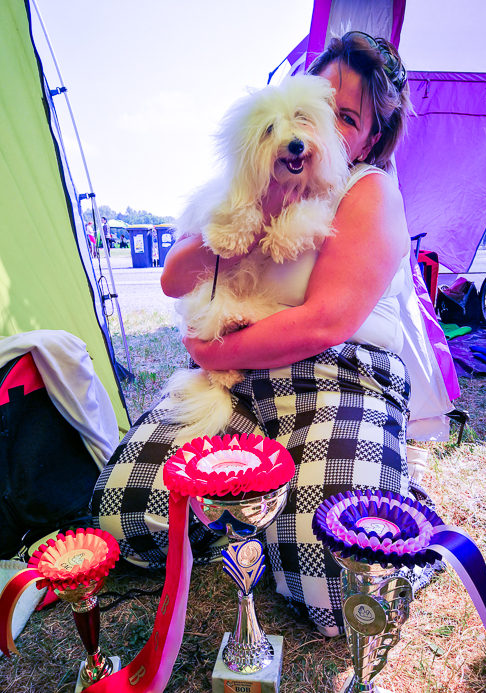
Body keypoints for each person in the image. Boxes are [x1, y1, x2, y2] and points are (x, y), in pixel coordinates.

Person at [91, 32, 436, 636]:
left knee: (338, 589)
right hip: (239, 383)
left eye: (346, 118)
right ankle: (265, 505)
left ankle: (370, 487)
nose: (319, 128)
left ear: (372, 138)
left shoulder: (369, 191)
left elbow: (326, 322)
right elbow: (174, 278)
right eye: (316, 107)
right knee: (119, 518)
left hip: (339, 376)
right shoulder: (254, 175)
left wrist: (213, 349)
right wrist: (257, 215)